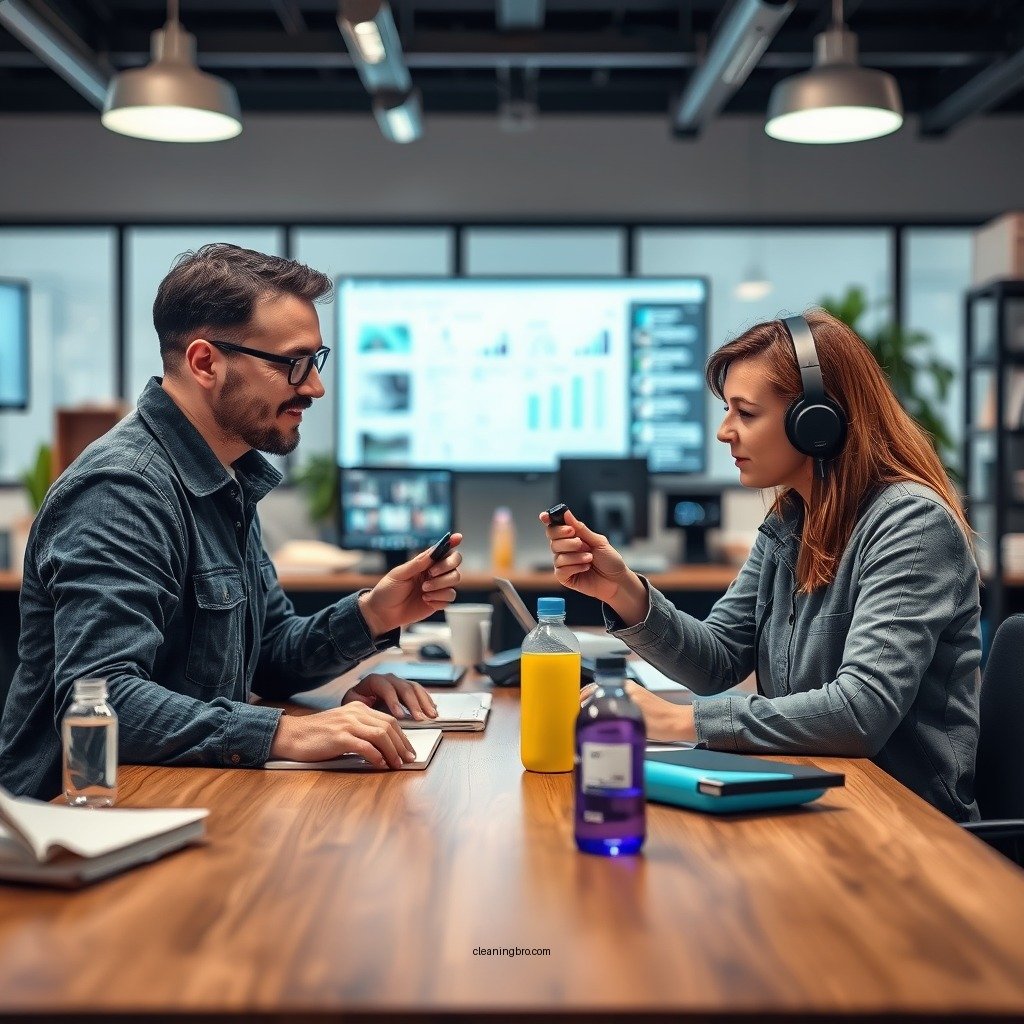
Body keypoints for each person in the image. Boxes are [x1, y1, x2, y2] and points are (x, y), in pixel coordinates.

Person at [0, 244, 463, 799]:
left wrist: (370, 615)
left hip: (183, 795)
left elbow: (264, 654)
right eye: (292, 363)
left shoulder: (226, 478)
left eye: (316, 361)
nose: (313, 387)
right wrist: (285, 731)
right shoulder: (122, 490)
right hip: (79, 818)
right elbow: (102, 698)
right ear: (205, 363)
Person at [541, 309, 981, 822]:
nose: (725, 432)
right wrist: (622, 591)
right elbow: (717, 661)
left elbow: (860, 712)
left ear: (817, 422)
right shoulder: (790, 521)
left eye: (745, 413)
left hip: (907, 825)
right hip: (812, 799)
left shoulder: (911, 524)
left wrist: (678, 722)